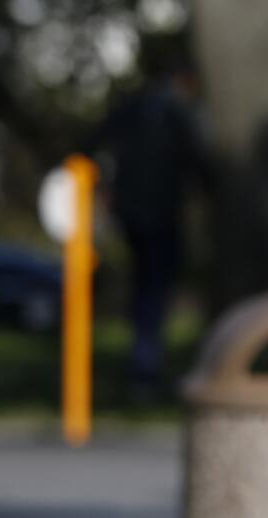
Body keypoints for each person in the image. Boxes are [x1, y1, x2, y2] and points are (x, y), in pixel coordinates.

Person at [85, 57, 210, 397]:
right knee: (155, 287)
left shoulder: (133, 107)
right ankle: (145, 368)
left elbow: (91, 142)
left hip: (130, 214)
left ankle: (143, 364)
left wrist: (104, 187)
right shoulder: (177, 113)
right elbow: (198, 160)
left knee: (145, 285)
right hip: (159, 214)